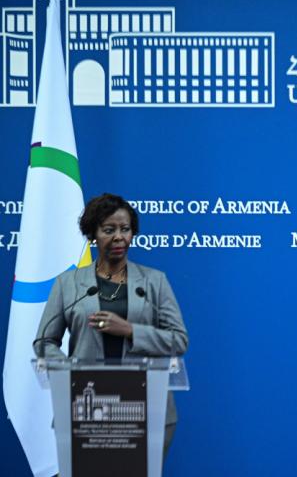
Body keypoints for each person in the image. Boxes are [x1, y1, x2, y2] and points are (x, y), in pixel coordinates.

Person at [34, 193, 188, 457]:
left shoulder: (155, 281)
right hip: (87, 406)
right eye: (109, 230)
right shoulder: (68, 284)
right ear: (93, 234)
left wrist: (130, 330)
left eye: (125, 229)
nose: (119, 237)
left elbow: (178, 340)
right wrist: (71, 371)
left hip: (145, 408)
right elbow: (44, 342)